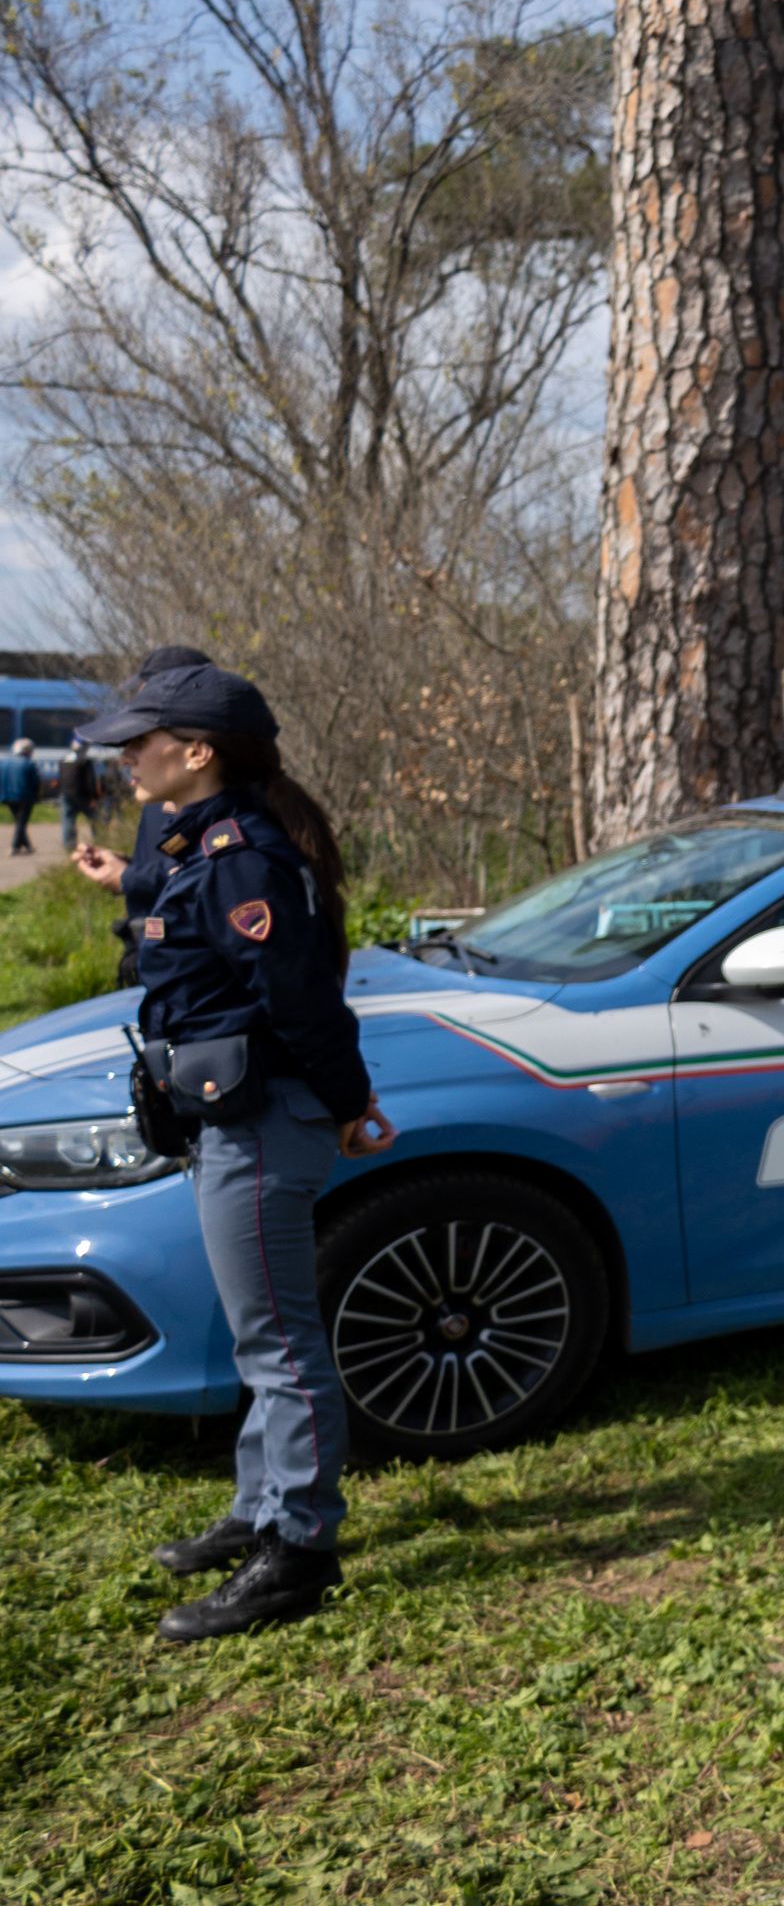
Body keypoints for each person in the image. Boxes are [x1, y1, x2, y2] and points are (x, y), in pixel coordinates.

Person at [70, 664, 394, 1643]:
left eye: (144, 739)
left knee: (281, 1342)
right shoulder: (203, 844)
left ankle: (298, 1546)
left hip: (262, 1122)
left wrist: (350, 1102)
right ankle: (262, 1507)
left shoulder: (242, 857)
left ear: (198, 750)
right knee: (264, 1333)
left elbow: (301, 999)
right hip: (228, 1116)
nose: (128, 756)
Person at [73, 644, 216, 987]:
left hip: (189, 971)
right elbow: (170, 858)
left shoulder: (222, 804)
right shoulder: (160, 792)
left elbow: (207, 870)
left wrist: (129, 878)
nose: (127, 757)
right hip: (152, 953)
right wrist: (119, 865)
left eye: (144, 738)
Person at [55, 739, 97, 853]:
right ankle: (99, 839)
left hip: (65, 794)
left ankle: (69, 845)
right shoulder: (85, 761)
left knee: (68, 820)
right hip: (83, 795)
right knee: (94, 818)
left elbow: (60, 778)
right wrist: (93, 797)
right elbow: (90, 781)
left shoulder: (63, 760)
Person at [0, 739, 36, 855]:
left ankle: (28, 846)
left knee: (19, 821)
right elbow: (35, 782)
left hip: (7, 797)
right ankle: (15, 846)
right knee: (21, 822)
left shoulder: (3, 762)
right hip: (24, 797)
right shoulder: (29, 763)